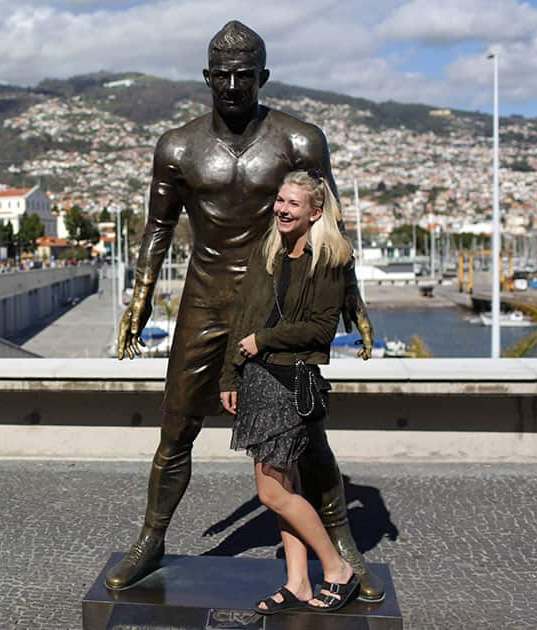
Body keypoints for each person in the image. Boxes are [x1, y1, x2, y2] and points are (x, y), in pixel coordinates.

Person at [107, 20, 384, 603]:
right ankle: (151, 539)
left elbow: (332, 227)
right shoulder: (177, 146)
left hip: (275, 299)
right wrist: (139, 297)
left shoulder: (299, 139)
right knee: (176, 425)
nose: (233, 86)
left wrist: (352, 299)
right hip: (204, 300)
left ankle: (342, 542)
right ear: (207, 77)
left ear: (263, 76)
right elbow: (157, 228)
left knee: (306, 436)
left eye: (244, 75)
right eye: (222, 76)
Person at [220, 170, 357, 613]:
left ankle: (337, 569)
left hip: (288, 382)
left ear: (315, 212)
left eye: (293, 203)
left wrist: (264, 341)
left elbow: (321, 329)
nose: (281, 208)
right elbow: (243, 316)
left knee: (271, 493)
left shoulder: (329, 259)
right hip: (257, 379)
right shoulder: (271, 252)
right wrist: (229, 375)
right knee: (286, 484)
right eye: (280, 199)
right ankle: (297, 582)